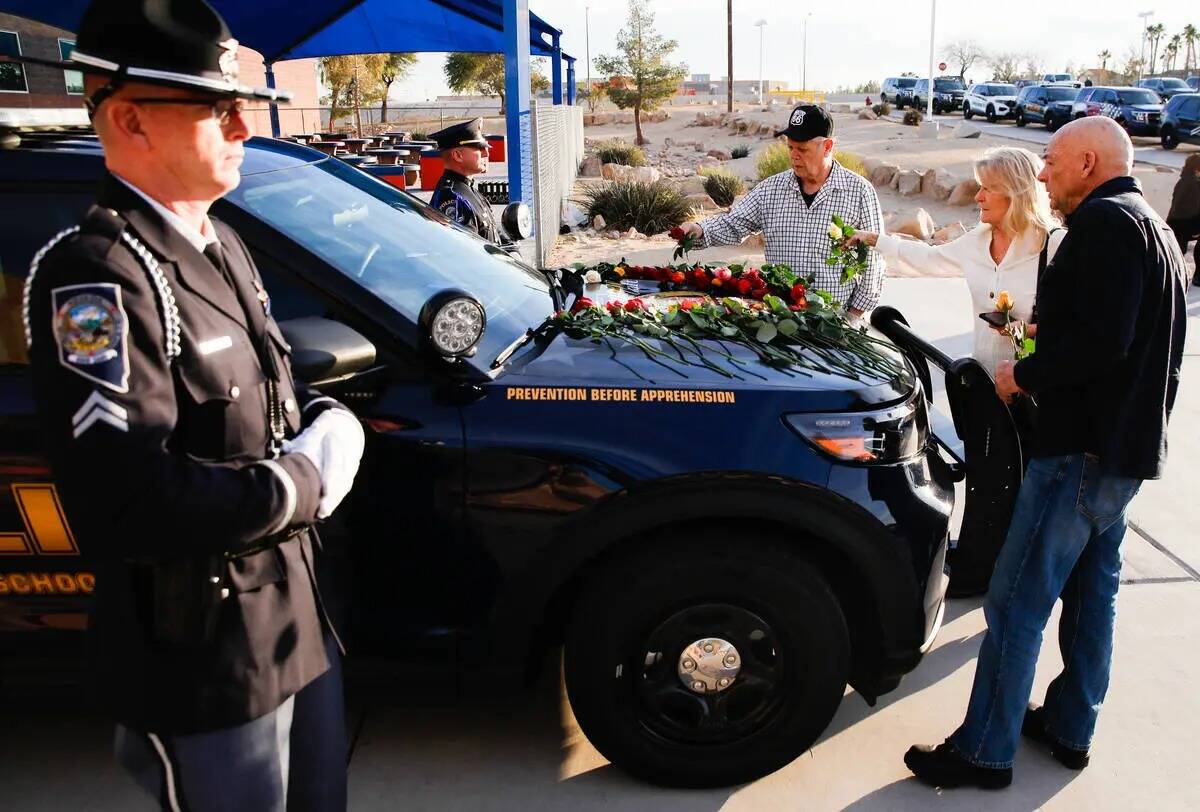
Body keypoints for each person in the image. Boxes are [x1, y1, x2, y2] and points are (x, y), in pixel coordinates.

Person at [21, 1, 364, 809]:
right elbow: (126, 500)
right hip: (208, 660)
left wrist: (324, 417)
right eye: (218, 109)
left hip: (294, 623)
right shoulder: (101, 276)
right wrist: (302, 485)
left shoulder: (220, 243)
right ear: (132, 119)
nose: (243, 126)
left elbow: (264, 388)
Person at [903, 116, 1188, 789]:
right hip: (1121, 456)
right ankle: (1068, 725)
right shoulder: (1151, 225)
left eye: (1054, 162)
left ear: (1089, 161)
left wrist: (1023, 372)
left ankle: (983, 749)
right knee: (1092, 598)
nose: (1046, 174)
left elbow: (1101, 346)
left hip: (1079, 455)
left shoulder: (1103, 226)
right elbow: (1121, 334)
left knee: (1014, 601)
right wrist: (1043, 330)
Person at [849, 147, 1064, 376]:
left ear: (1017, 195)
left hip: (1036, 389)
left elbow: (1084, 323)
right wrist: (875, 240)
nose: (978, 197)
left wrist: (1027, 330)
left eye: (988, 189)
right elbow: (929, 258)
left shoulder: (1054, 245)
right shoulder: (977, 240)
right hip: (982, 383)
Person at [677, 104, 885, 317]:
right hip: (780, 318)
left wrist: (853, 314)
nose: (794, 155)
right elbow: (733, 223)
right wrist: (699, 229)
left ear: (828, 146)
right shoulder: (771, 189)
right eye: (790, 147)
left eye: (802, 149)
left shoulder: (859, 192)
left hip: (835, 320)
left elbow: (874, 261)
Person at [429, 117, 500, 242]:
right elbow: (465, 250)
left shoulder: (468, 189)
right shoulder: (452, 197)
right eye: (479, 148)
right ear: (458, 155)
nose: (486, 154)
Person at [1165, 153, 1200, 284]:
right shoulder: (1188, 183)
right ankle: (1175, 276)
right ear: (1196, 169)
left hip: (1187, 222)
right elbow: (1179, 205)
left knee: (1180, 250)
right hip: (1183, 223)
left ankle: (1188, 276)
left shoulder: (1191, 181)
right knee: (1178, 250)